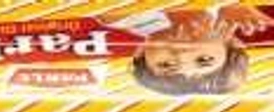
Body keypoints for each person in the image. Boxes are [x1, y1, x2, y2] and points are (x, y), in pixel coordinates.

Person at [103, 5, 274, 94]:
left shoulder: (118, 14)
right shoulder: (239, 10)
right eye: (204, 60)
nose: (183, 54)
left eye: (166, 64)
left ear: (140, 52)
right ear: (232, 43)